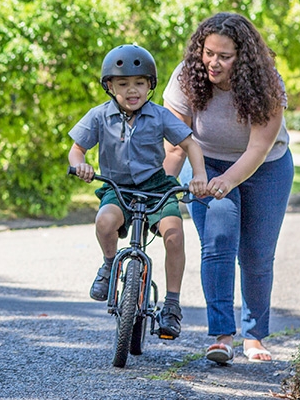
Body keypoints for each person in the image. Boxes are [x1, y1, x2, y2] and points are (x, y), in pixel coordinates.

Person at [162, 12, 293, 364]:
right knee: (218, 241)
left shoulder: (268, 84)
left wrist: (228, 181)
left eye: (224, 56)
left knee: (256, 254)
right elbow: (176, 144)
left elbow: (257, 149)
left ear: (244, 57)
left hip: (266, 167)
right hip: (205, 161)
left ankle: (254, 336)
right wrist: (159, 186)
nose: (213, 63)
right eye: (208, 53)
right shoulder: (186, 78)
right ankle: (222, 336)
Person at [68, 44, 208, 339]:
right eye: (123, 84)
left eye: (139, 83)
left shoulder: (159, 116)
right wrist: (81, 166)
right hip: (118, 188)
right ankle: (108, 266)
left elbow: (190, 145)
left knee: (174, 234)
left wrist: (199, 176)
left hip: (156, 187)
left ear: (150, 86)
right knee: (104, 221)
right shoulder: (98, 116)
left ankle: (172, 304)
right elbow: (77, 150)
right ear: (109, 86)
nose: (132, 90)